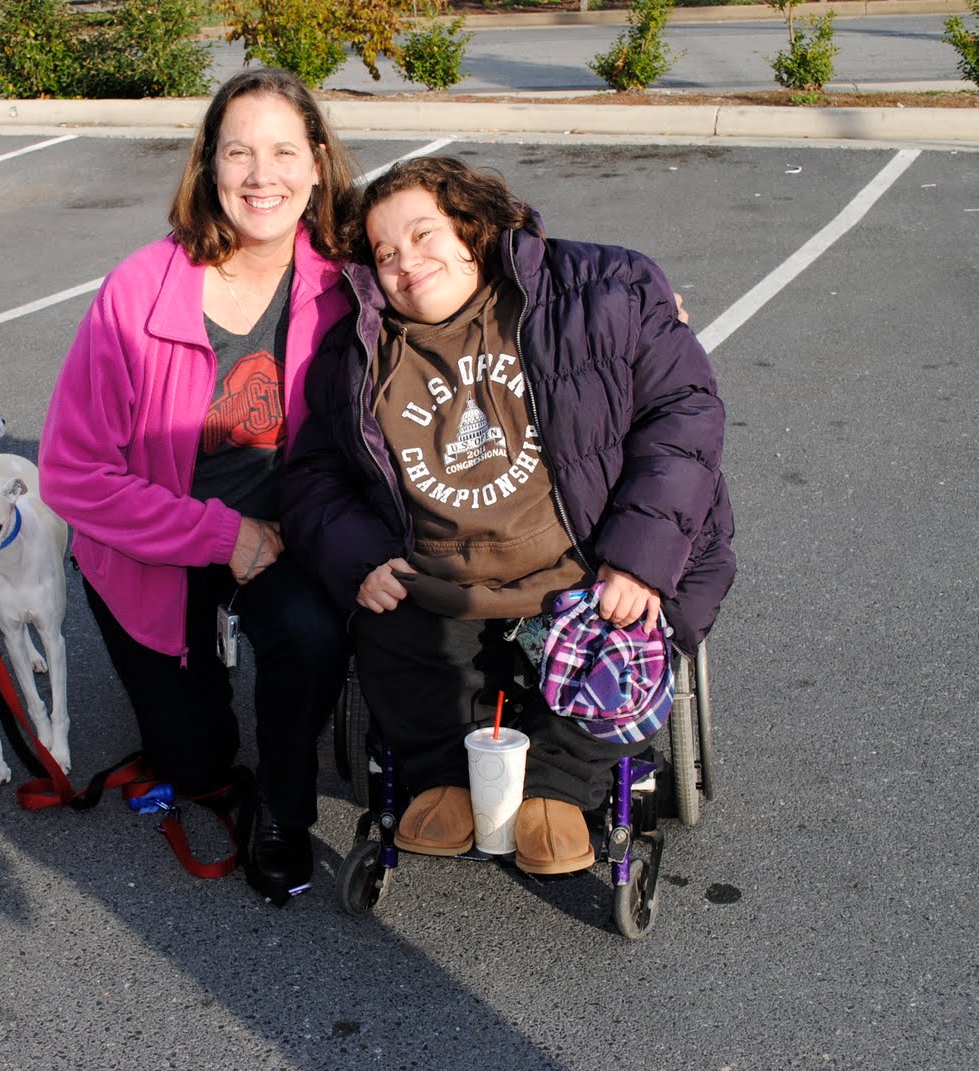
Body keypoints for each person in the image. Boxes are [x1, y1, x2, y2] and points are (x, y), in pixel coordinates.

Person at [281, 156, 736, 875]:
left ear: (474, 226)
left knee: (622, 634)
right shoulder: (358, 352)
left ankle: (559, 785)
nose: (406, 263)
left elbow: (684, 413)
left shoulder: (599, 291)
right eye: (385, 253)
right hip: (438, 576)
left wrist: (639, 558)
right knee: (392, 624)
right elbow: (311, 475)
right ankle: (442, 775)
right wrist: (358, 556)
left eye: (425, 235)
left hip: (585, 563)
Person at [37, 68, 359, 902]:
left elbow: (466, 257)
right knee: (194, 763)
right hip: (157, 539)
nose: (263, 176)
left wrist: (633, 302)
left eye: (285, 151)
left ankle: (284, 811)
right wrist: (224, 536)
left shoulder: (347, 277)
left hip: (286, 526)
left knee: (312, 633)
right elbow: (72, 473)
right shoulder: (138, 289)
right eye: (239, 153)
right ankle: (205, 736)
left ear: (318, 163)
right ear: (208, 166)